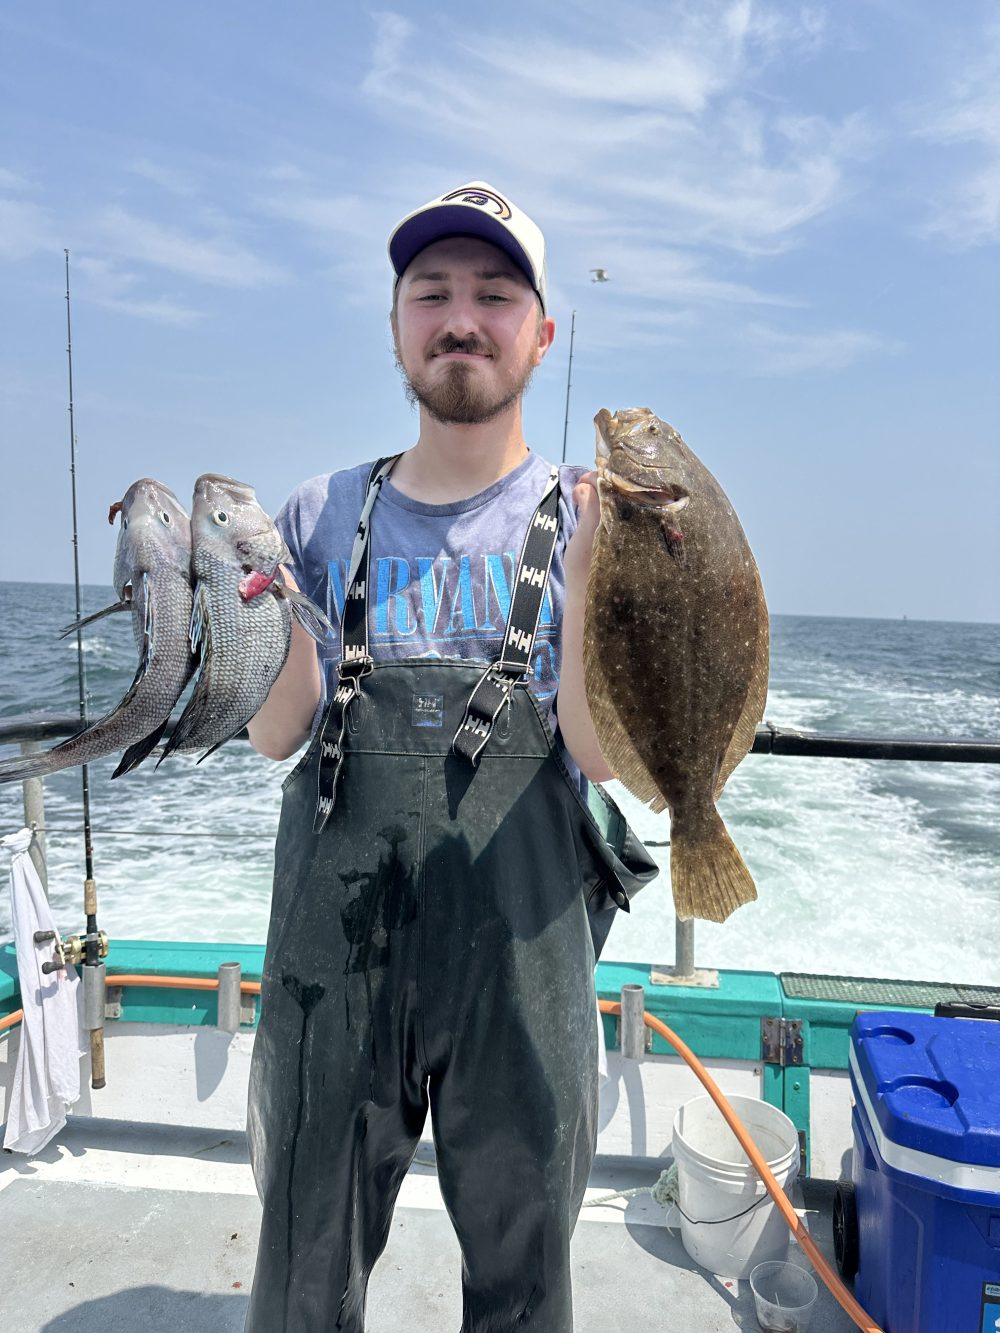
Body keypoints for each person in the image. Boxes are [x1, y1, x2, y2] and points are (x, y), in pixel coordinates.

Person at [243, 180, 656, 1333]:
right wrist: (263, 620)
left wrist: (586, 593)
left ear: (540, 332)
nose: (460, 318)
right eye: (431, 294)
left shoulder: (591, 519)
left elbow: (600, 758)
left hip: (521, 963)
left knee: (525, 1274)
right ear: (394, 326)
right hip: (336, 962)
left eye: (493, 294)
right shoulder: (317, 515)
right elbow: (280, 734)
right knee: (303, 1256)